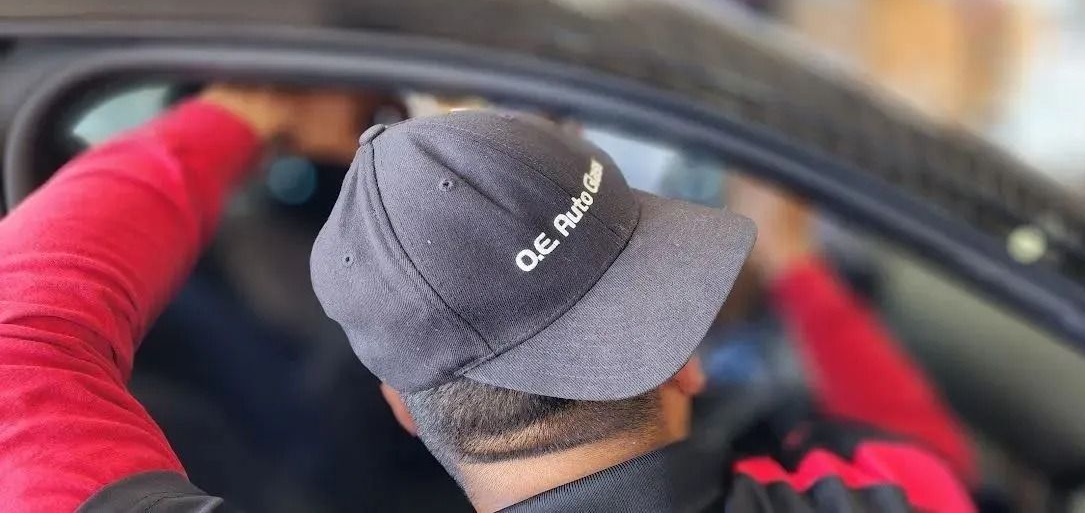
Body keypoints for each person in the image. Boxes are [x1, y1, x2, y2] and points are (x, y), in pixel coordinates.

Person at [0, 86, 974, 512]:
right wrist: (797, 265)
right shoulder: (893, 493)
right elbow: (936, 462)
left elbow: (18, 345)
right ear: (685, 357)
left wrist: (245, 114)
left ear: (402, 409)